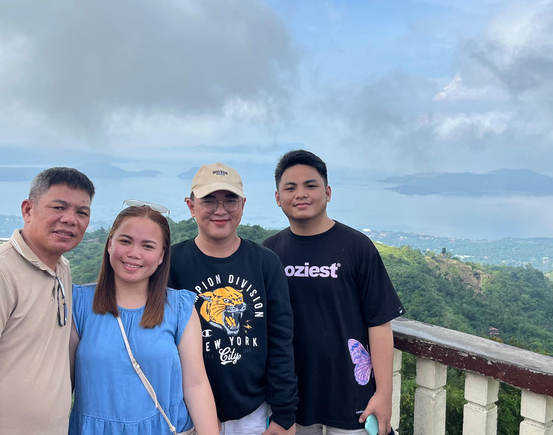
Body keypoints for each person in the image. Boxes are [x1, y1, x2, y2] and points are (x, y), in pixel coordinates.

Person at [262, 150, 405, 435]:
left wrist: (384, 395)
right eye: (290, 187)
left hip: (353, 397)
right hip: (291, 399)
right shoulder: (269, 253)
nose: (300, 194)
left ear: (327, 192)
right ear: (278, 198)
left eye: (310, 185)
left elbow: (379, 323)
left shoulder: (357, 247)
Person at [0, 167, 95, 435]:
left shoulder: (62, 269)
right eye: (58, 207)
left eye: (81, 212)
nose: (70, 219)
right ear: (28, 210)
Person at [169, 163, 298, 435]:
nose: (220, 210)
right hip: (185, 415)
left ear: (242, 205)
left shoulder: (265, 263)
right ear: (191, 206)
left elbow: (280, 341)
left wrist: (284, 415)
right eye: (208, 201)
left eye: (230, 200)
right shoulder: (170, 263)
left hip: (253, 415)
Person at [70, 202, 220, 435]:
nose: (134, 253)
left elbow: (196, 383)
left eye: (147, 246)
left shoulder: (179, 308)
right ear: (110, 244)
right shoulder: (78, 304)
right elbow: (61, 383)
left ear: (161, 256)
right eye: (125, 241)